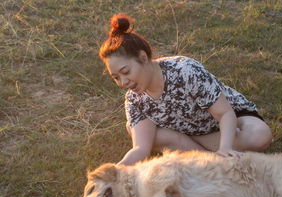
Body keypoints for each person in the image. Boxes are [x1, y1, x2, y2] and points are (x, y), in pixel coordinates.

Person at [99, 13, 272, 166]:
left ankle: (205, 154)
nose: (123, 82)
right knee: (140, 133)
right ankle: (214, 162)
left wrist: (225, 148)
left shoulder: (184, 71)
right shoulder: (134, 100)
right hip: (185, 133)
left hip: (228, 121)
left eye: (125, 72)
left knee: (260, 136)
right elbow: (140, 150)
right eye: (116, 78)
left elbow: (225, 114)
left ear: (143, 58)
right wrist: (113, 172)